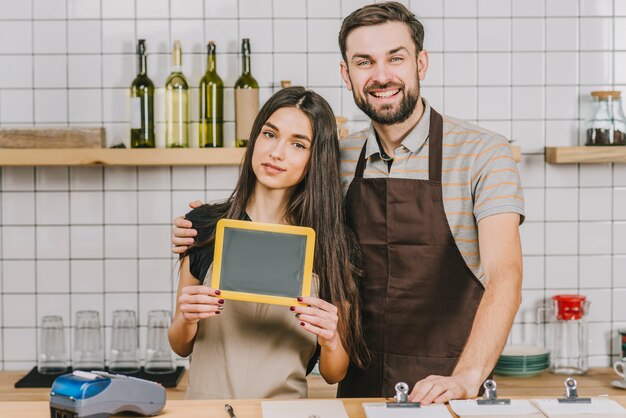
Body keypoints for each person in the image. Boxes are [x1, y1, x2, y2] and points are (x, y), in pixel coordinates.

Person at [173, 1, 524, 405]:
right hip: (359, 391)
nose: (381, 75)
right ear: (346, 74)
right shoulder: (332, 158)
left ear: (421, 63)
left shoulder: (484, 154)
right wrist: (201, 226)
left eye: (396, 58)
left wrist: (467, 377)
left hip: (447, 388)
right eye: (364, 62)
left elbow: (505, 277)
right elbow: (271, 200)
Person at [168, 86, 369, 400]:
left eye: (298, 144)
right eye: (270, 134)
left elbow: (334, 373)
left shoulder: (332, 246)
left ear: (315, 159)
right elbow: (181, 345)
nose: (276, 153)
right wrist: (186, 317)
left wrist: (330, 339)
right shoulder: (203, 226)